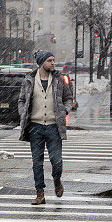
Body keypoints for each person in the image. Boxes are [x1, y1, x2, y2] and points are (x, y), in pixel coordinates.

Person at [17, 50, 74, 205]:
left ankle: (57, 180)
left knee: (57, 161)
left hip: (53, 127)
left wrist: (66, 110)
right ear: (42, 62)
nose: (53, 63)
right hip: (35, 127)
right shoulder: (29, 80)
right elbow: (21, 100)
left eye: (53, 60)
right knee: (37, 162)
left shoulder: (59, 79)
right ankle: (40, 193)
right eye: (50, 60)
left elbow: (69, 98)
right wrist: (23, 113)